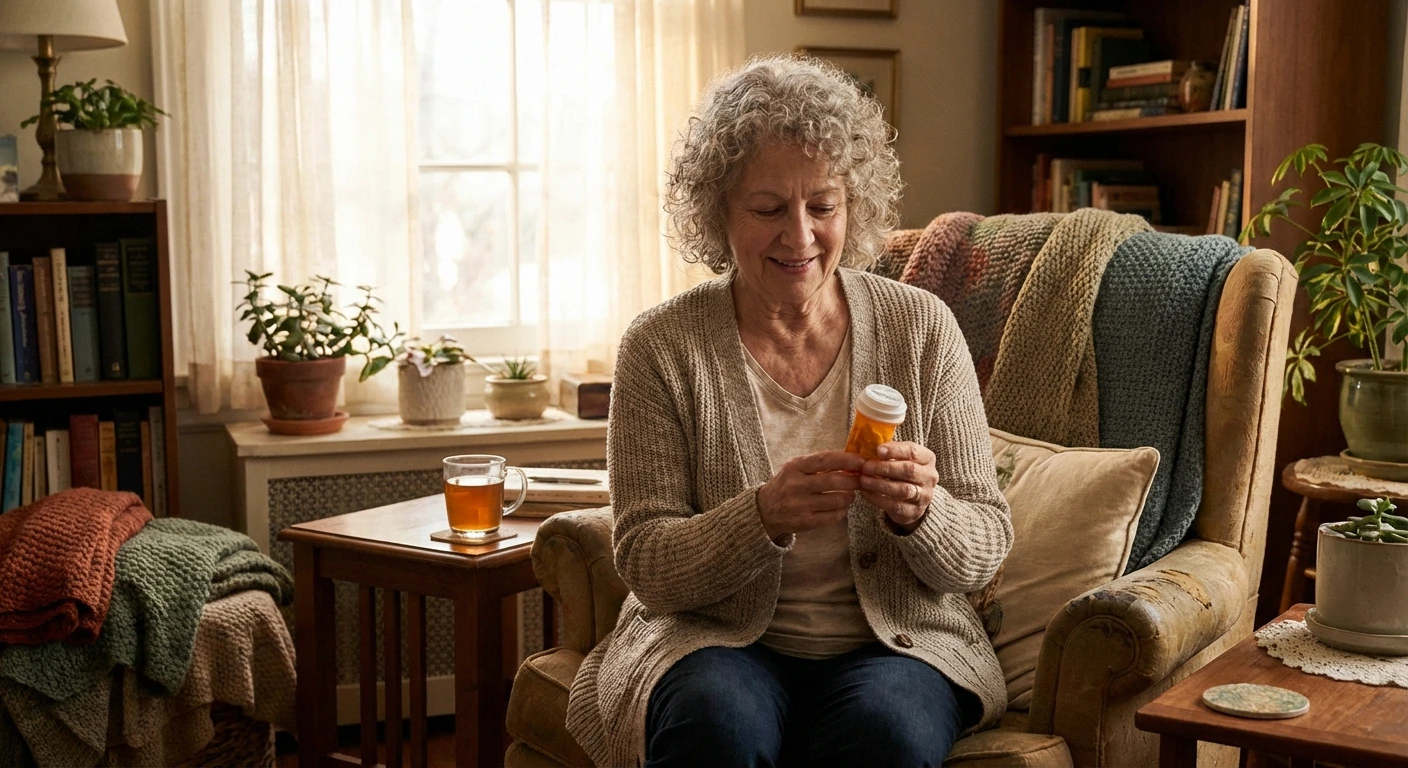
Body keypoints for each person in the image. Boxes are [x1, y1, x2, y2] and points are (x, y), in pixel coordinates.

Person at [564, 54, 1013, 768]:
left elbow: (986, 542)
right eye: (769, 209)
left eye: (823, 207)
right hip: (714, 641)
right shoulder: (661, 346)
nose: (800, 236)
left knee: (887, 735)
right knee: (716, 726)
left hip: (897, 647)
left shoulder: (921, 327)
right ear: (717, 211)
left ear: (853, 206)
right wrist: (762, 515)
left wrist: (922, 512)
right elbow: (645, 560)